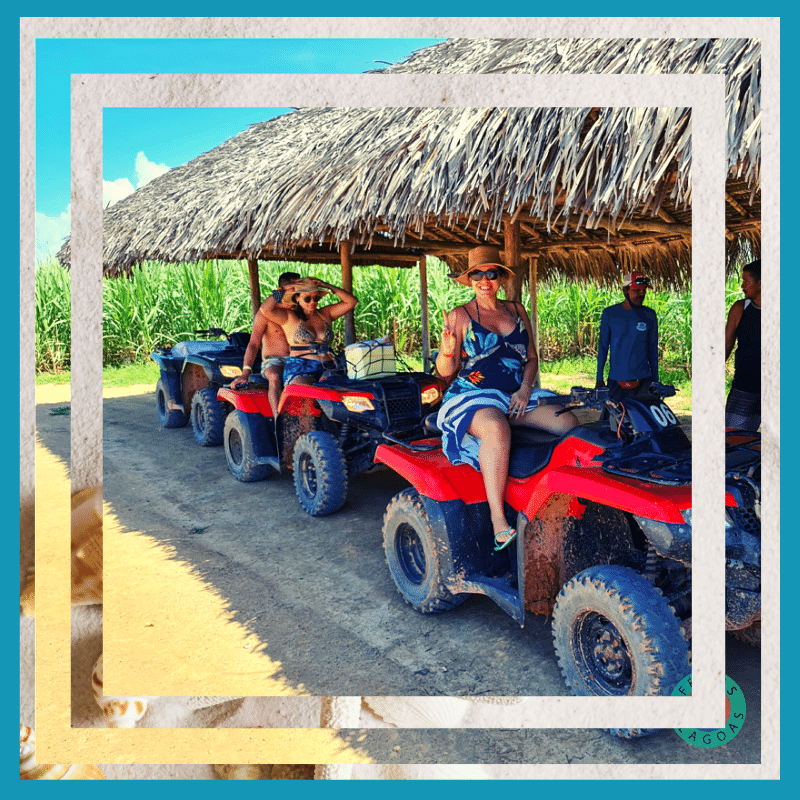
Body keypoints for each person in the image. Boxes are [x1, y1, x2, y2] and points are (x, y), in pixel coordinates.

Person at [435, 245, 578, 552]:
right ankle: (498, 520)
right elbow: (445, 372)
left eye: (491, 273)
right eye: (477, 275)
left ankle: (554, 496)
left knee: (567, 421)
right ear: (470, 280)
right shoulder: (460, 315)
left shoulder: (516, 310)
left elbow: (531, 358)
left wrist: (525, 389)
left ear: (500, 278)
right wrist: (446, 350)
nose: (484, 280)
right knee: (496, 428)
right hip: (472, 396)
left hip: (515, 394)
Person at [261, 276, 358, 388]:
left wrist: (327, 286)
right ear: (297, 297)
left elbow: (352, 302)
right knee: (307, 389)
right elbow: (265, 310)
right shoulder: (289, 317)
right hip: (300, 368)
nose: (313, 302)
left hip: (329, 367)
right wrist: (282, 289)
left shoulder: (326, 313)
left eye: (316, 298)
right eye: (307, 299)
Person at [231, 271, 301, 416]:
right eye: (292, 288)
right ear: (282, 289)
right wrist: (245, 373)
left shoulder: (300, 311)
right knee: (274, 377)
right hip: (274, 361)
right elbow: (253, 344)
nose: (296, 292)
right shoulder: (266, 312)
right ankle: (278, 419)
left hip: (299, 358)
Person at [596, 270, 659, 401]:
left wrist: (655, 380)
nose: (642, 294)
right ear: (625, 290)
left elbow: (653, 349)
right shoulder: (610, 314)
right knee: (616, 413)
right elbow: (603, 347)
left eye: (644, 290)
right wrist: (599, 378)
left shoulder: (650, 315)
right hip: (616, 381)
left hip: (644, 380)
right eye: (637, 290)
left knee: (643, 414)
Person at [724, 259, 761, 431]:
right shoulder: (740, 308)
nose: (742, 286)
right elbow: (727, 343)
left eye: (746, 281)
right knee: (734, 435)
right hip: (744, 386)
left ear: (761, 283)